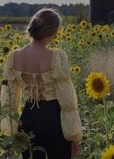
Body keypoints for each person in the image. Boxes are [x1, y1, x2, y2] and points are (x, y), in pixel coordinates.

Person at [1, 8, 82, 159]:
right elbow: (67, 101)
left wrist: (10, 131)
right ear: (54, 33)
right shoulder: (56, 57)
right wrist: (74, 138)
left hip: (28, 118)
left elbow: (9, 100)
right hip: (54, 119)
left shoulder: (14, 57)